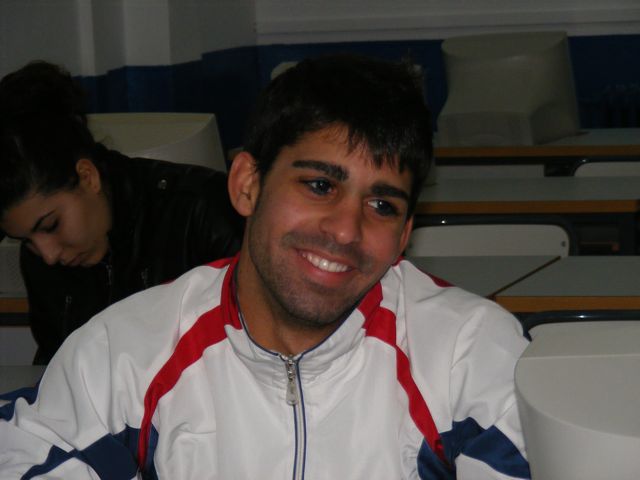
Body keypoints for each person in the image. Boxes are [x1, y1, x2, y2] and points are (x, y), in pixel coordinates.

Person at [0, 54, 530, 479]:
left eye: (382, 205)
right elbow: (28, 454)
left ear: (404, 237)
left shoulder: (465, 353)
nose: (346, 230)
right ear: (246, 185)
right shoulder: (125, 354)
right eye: (319, 185)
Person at [0, 61, 244, 364]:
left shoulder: (204, 213)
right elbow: (57, 366)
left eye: (51, 225)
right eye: (26, 241)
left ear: (88, 176)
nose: (48, 255)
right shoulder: (41, 261)